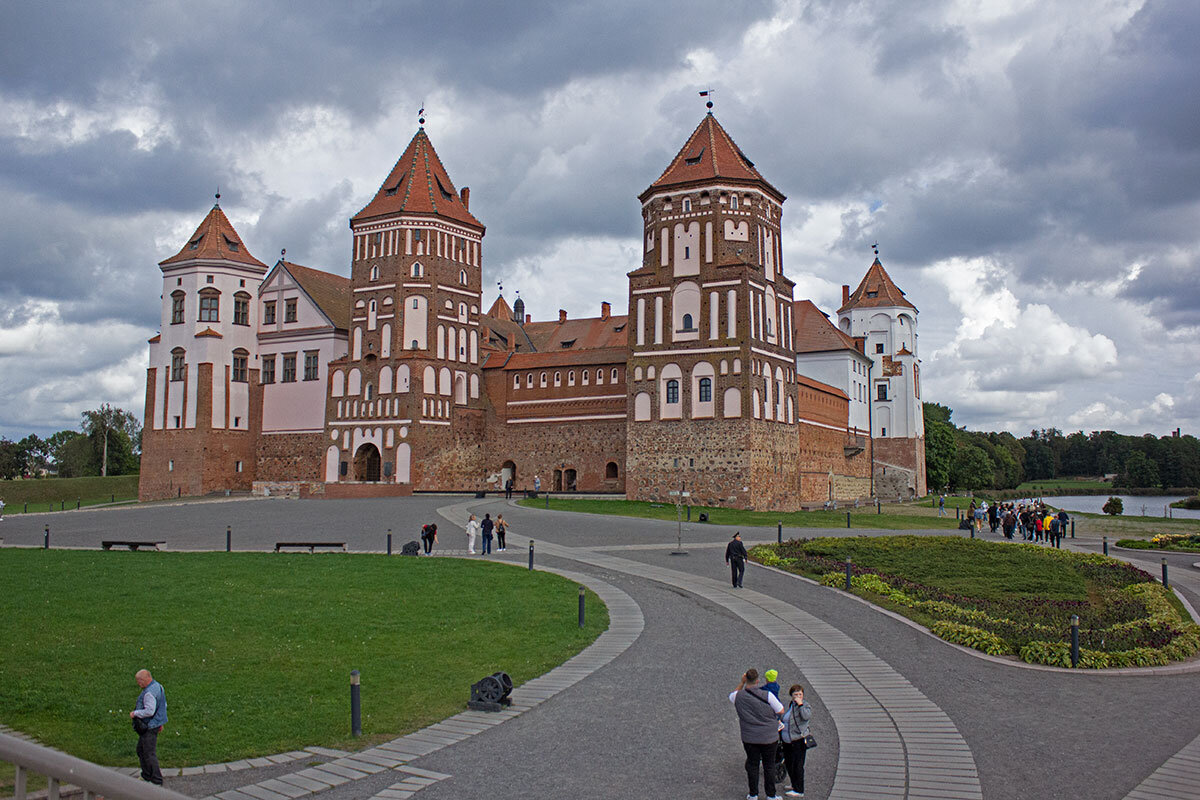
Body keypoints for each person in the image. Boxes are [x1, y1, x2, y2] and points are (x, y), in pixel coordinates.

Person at [729, 668, 784, 800]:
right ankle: (771, 795)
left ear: (745, 679)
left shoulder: (738, 696)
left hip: (749, 737)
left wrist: (741, 683)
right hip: (769, 737)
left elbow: (733, 695)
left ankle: (753, 794)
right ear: (758, 680)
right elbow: (781, 710)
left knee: (752, 764)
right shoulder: (767, 695)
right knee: (769, 765)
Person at [130, 669, 167, 785]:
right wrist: (160, 723)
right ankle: (146, 775)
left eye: (139, 681)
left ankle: (156, 780)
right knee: (141, 750)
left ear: (143, 679)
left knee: (148, 753)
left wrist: (135, 713)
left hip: (149, 727)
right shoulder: (158, 686)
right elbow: (162, 705)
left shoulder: (149, 693)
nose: (138, 684)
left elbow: (150, 711)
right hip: (155, 724)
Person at [779, 684, 812, 798]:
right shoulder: (791, 705)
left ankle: (799, 789)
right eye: (795, 694)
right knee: (789, 763)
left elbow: (806, 716)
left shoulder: (805, 705)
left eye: (800, 694)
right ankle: (794, 784)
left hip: (798, 740)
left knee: (798, 765)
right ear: (791, 696)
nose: (798, 696)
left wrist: (801, 704)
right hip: (788, 740)